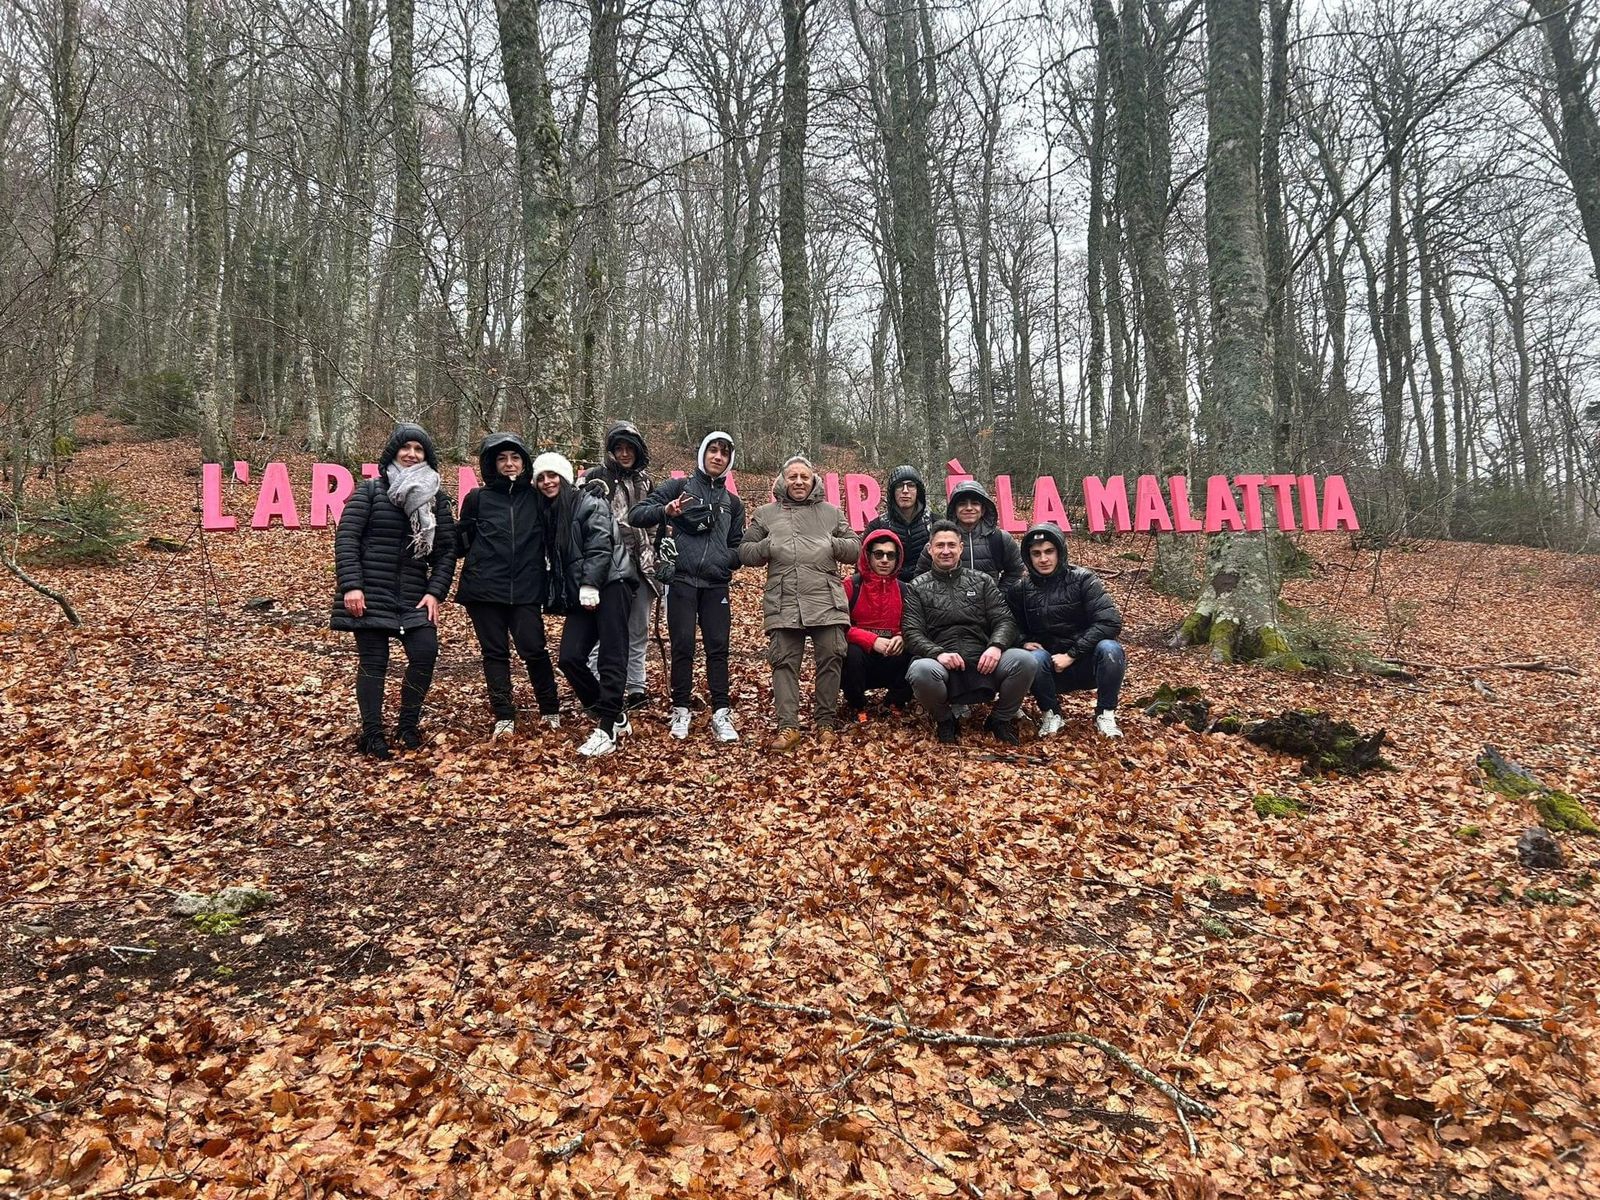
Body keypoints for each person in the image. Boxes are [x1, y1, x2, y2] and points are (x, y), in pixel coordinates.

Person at [331, 424, 458, 759]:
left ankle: (407, 725)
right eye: (406, 448)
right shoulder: (371, 491)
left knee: (425, 652)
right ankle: (372, 734)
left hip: (414, 595)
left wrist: (435, 592)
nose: (411, 454)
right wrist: (352, 586)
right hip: (370, 591)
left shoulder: (435, 499)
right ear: (393, 452)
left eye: (419, 449)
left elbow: (446, 551)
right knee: (374, 662)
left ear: (427, 456)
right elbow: (347, 539)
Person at [628, 431, 745, 742]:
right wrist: (665, 511)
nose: (717, 457)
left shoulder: (733, 503)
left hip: (716, 584)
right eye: (713, 450)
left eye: (724, 452)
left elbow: (738, 545)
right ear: (702, 453)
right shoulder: (677, 487)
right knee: (683, 646)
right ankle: (680, 709)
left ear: (730, 459)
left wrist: (724, 559)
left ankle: (721, 713)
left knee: (718, 647)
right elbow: (636, 514)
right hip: (681, 581)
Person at [739, 455, 860, 752]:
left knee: (831, 657)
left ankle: (826, 723)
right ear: (782, 480)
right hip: (784, 599)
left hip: (826, 598)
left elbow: (855, 549)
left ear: (813, 480)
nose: (798, 482)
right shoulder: (765, 514)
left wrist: (831, 544)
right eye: (792, 476)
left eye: (804, 477)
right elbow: (745, 552)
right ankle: (788, 726)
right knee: (783, 663)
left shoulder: (832, 513)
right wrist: (768, 546)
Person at [455, 432, 560, 738]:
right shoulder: (477, 498)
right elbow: (461, 543)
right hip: (484, 588)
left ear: (525, 462)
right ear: (491, 464)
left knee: (534, 649)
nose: (509, 464)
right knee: (495, 653)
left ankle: (550, 709)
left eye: (515, 457)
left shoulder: (537, 496)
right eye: (501, 458)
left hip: (527, 587)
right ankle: (503, 715)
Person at [534, 452, 639, 758]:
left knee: (611, 656)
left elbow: (600, 543)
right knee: (570, 657)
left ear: (565, 477)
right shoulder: (550, 512)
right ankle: (615, 715)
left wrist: (591, 584)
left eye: (553, 475)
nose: (547, 482)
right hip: (583, 591)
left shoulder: (589, 502)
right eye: (541, 478)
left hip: (612, 582)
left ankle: (606, 731)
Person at [903, 520, 1036, 745]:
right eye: (940, 545)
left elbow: (1005, 620)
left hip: (984, 657)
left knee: (1025, 661)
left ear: (961, 548)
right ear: (930, 549)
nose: (946, 551)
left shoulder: (982, 581)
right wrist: (937, 653)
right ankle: (945, 720)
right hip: (942, 661)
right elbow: (911, 632)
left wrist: (996, 646)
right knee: (920, 670)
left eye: (951, 545)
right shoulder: (916, 587)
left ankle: (1000, 719)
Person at [1009, 523, 1127, 738]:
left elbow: (1109, 622)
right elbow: (1009, 625)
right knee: (1032, 656)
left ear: (1060, 552)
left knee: (1111, 649)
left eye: (1049, 551)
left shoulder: (1083, 580)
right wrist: (1022, 641)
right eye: (1036, 553)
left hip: (1085, 661)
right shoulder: (1021, 590)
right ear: (1028, 557)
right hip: (1047, 666)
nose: (1043, 559)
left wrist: (1072, 654)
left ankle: (1106, 714)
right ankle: (1051, 713)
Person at [581, 421, 656, 711]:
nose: (624, 454)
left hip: (643, 564)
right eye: (619, 448)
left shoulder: (646, 481)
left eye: (629, 448)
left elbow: (656, 521)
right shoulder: (595, 478)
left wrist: (658, 553)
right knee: (606, 630)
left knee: (638, 629)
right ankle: (598, 685)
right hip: (609, 565)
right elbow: (583, 519)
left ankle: (636, 686)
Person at [841, 529, 913, 720]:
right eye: (878, 554)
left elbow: (914, 625)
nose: (884, 560)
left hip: (891, 654)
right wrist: (872, 641)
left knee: (914, 649)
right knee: (850, 652)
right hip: (859, 655)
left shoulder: (904, 590)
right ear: (868, 556)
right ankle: (857, 705)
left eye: (890, 555)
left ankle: (896, 701)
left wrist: (902, 637)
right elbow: (839, 625)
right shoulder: (851, 586)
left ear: (897, 559)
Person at [913, 480, 1025, 586]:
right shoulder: (940, 539)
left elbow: (1016, 571)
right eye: (962, 504)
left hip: (989, 600)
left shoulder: (1000, 538)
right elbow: (921, 577)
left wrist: (999, 595)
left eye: (975, 503)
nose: (969, 508)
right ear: (954, 510)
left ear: (983, 510)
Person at [865, 465, 930, 582]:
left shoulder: (933, 523)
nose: (905, 491)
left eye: (911, 485)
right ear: (892, 492)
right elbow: (864, 565)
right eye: (900, 486)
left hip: (927, 587)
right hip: (888, 587)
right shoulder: (878, 526)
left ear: (918, 491)